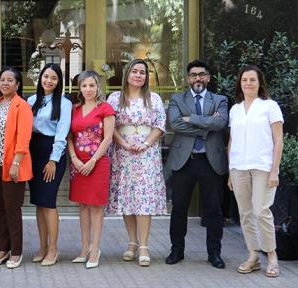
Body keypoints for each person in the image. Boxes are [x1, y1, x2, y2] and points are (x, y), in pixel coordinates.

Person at [165, 60, 228, 269]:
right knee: (179, 208)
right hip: (185, 162)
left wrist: (190, 118)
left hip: (211, 162)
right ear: (187, 78)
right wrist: (205, 126)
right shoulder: (176, 98)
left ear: (208, 78)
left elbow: (221, 122)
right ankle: (176, 251)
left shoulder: (219, 100)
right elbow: (175, 123)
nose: (197, 78)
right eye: (193, 75)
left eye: (202, 74)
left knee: (213, 210)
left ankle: (215, 253)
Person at [106, 59, 167, 267]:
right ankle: (132, 242)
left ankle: (144, 246)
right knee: (127, 198)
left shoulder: (154, 98)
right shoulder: (115, 98)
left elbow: (160, 125)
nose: (139, 75)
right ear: (127, 75)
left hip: (146, 154)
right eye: (134, 71)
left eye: (142, 72)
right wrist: (122, 143)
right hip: (122, 153)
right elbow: (109, 125)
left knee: (144, 198)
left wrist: (146, 143)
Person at [228, 65, 283, 277]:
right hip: (238, 167)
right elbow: (231, 141)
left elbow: (278, 139)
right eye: (244, 80)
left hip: (263, 166)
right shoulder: (235, 109)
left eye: (252, 80)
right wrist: (230, 171)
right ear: (240, 84)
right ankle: (253, 255)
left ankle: (272, 256)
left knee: (261, 211)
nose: (248, 83)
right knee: (245, 213)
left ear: (259, 83)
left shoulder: (270, 106)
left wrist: (274, 170)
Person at [0, 67, 33, 269]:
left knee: (12, 209)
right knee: (0, 210)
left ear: (18, 84)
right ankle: (3, 249)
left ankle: (17, 252)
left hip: (12, 166)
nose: (5, 83)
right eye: (2, 80)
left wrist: (16, 163)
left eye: (10, 80)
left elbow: (23, 137)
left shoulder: (22, 106)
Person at [67, 70, 115, 269]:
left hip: (98, 163)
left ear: (98, 87)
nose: (88, 89)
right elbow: (69, 136)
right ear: (80, 88)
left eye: (92, 85)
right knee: (83, 206)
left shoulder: (105, 108)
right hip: (78, 163)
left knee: (96, 206)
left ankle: (96, 249)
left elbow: (108, 138)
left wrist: (93, 160)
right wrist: (74, 159)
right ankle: (84, 247)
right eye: (84, 85)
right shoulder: (75, 109)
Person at [26, 63, 72, 266]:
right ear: (40, 78)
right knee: (38, 202)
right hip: (33, 151)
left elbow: (62, 134)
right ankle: (42, 246)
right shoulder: (31, 100)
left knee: (49, 202)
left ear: (59, 81)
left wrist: (53, 159)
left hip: (51, 151)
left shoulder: (64, 103)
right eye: (46, 76)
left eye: (54, 78)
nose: (49, 81)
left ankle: (53, 249)